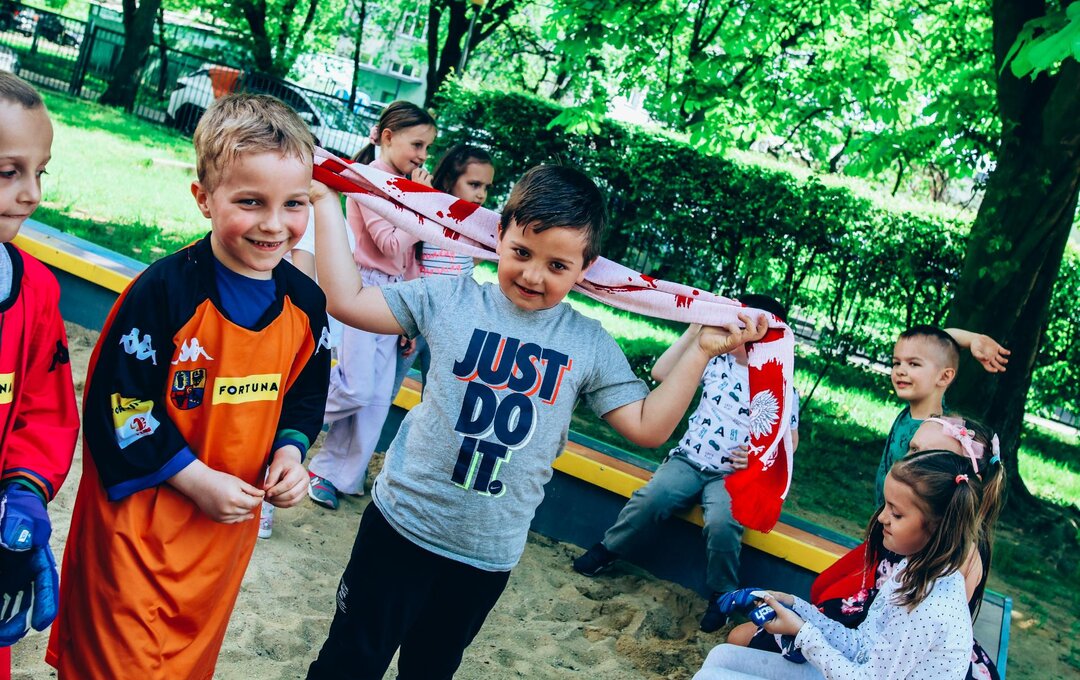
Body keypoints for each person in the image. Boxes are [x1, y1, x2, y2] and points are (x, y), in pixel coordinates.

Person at [305, 163, 771, 679]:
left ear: (585, 268)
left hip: (485, 555)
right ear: (499, 235)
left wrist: (701, 351)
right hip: (401, 526)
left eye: (557, 265)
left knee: (430, 669)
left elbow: (648, 426)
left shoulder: (587, 343)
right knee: (349, 661)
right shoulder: (450, 296)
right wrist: (326, 202)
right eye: (522, 253)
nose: (533, 276)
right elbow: (347, 301)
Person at [45, 93, 331, 679]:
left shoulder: (305, 304)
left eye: (294, 203)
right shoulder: (163, 293)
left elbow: (305, 393)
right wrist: (194, 478)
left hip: (222, 533)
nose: (274, 224)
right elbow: (120, 403)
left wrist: (290, 453)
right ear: (203, 198)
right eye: (250, 201)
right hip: (139, 528)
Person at [571, 294, 800, 633]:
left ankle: (723, 593)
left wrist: (756, 455)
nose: (738, 333)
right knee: (651, 499)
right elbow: (661, 372)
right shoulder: (715, 361)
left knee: (724, 523)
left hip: (731, 475)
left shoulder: (779, 384)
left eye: (751, 329)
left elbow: (789, 440)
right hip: (690, 460)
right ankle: (608, 549)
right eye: (735, 323)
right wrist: (695, 331)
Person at [730, 415, 1005, 679]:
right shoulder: (913, 564)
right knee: (726, 653)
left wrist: (803, 632)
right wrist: (796, 605)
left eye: (927, 456)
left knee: (738, 645)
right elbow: (864, 641)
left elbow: (874, 666)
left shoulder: (931, 599)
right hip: (860, 642)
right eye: (913, 450)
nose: (912, 461)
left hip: (864, 660)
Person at [306, 100, 436, 510]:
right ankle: (283, 416)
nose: (423, 155)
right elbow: (390, 244)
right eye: (417, 144)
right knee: (356, 387)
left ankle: (334, 474)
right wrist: (423, 205)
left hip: (396, 298)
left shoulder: (405, 185)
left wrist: (410, 320)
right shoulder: (369, 181)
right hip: (361, 291)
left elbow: (410, 260)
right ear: (388, 137)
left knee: (377, 400)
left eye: (428, 147)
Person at [0, 72, 79, 678]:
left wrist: (22, 495)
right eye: (8, 172)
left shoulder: (35, 292)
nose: (31, 194)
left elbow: (42, 410)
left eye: (40, 172)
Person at [388, 144, 496, 398]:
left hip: (450, 328)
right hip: (416, 320)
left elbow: (470, 263)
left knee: (436, 399)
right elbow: (407, 264)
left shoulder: (478, 226)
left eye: (486, 187)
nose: (481, 194)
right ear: (449, 180)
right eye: (474, 184)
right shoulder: (430, 215)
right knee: (387, 390)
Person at [874, 325, 1008, 507]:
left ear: (944, 377)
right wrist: (973, 339)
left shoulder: (937, 436)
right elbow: (941, 340)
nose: (900, 370)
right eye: (897, 363)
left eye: (913, 364)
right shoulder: (913, 411)